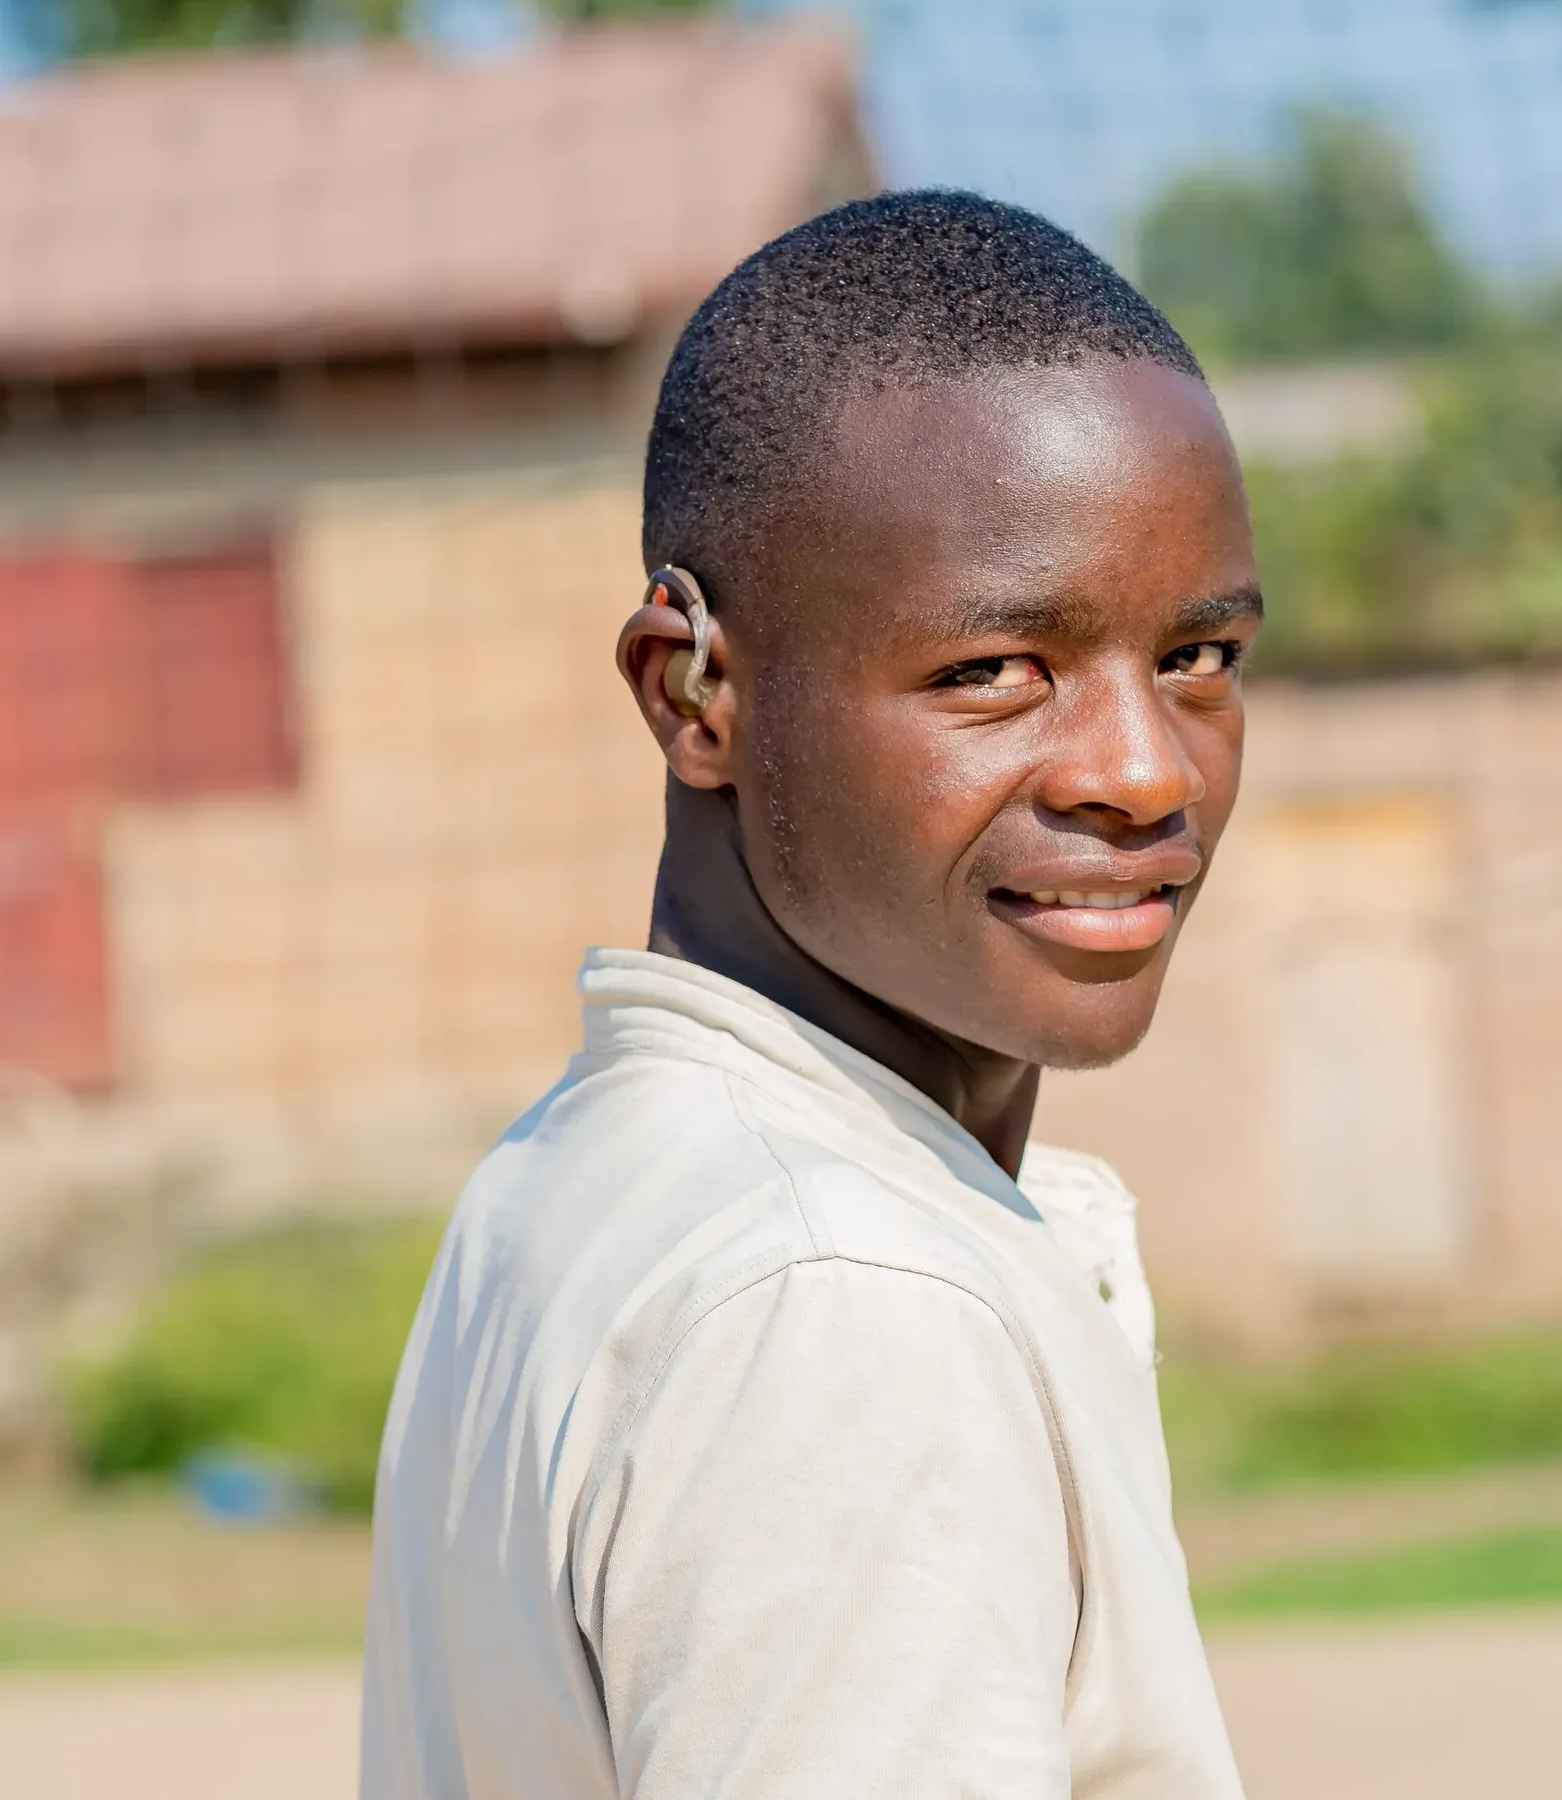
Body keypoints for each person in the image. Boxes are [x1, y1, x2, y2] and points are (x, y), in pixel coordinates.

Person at [361, 190, 1259, 1799]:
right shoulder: (840, 1298)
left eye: (1199, 658)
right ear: (694, 692)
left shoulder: (578, 1172)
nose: (1143, 769)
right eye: (992, 670)